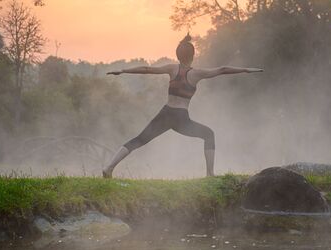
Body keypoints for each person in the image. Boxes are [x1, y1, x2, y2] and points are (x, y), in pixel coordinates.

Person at [103, 34, 263, 178]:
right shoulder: (196, 73)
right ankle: (210, 174)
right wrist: (245, 69)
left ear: (178, 55)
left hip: (165, 114)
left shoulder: (172, 68)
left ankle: (109, 168)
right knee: (209, 135)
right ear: (193, 56)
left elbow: (147, 69)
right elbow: (222, 70)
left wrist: (123, 70)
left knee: (139, 139)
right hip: (181, 119)